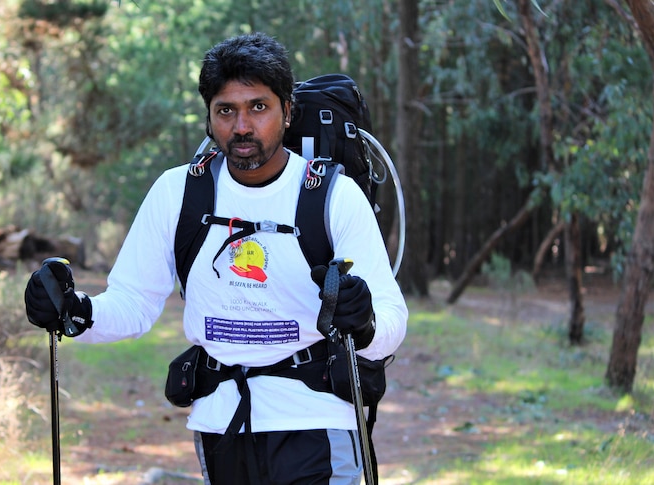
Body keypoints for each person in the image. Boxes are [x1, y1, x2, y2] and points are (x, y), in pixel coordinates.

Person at [25, 32, 408, 484]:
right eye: (226, 110)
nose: (242, 126)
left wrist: (363, 322)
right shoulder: (178, 191)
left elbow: (391, 320)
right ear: (209, 118)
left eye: (258, 107)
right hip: (219, 421)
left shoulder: (333, 196)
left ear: (288, 112)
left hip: (316, 419)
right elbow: (133, 303)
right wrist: (73, 311)